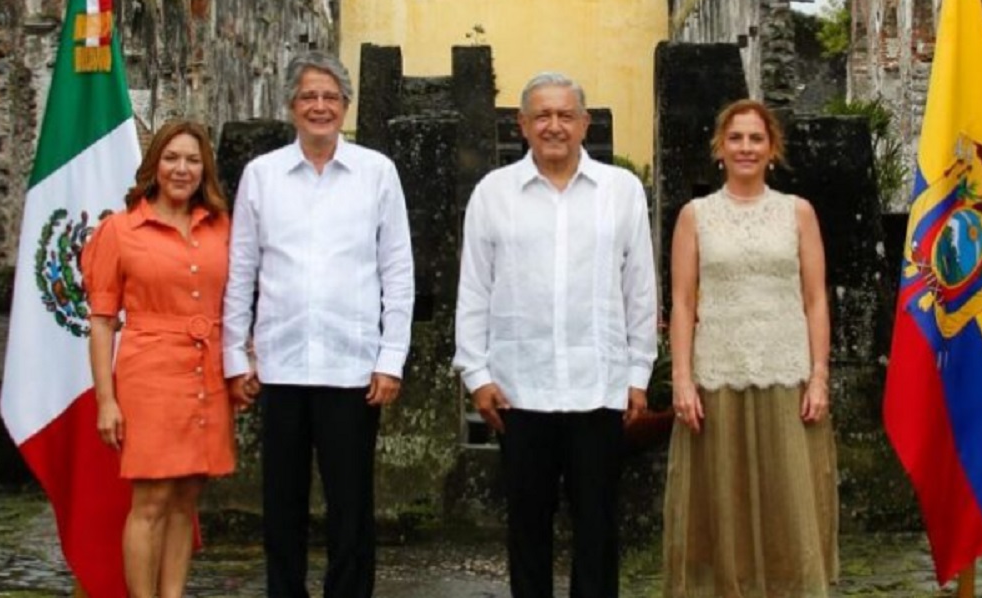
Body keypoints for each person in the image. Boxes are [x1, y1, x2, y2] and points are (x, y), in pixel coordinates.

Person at [454, 71, 657, 598]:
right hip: (520, 389)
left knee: (597, 528)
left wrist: (638, 375)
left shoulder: (621, 191)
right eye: (541, 115)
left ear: (585, 123)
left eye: (566, 115)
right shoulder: (494, 194)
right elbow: (474, 288)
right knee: (526, 530)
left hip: (599, 388)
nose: (554, 126)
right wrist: (475, 374)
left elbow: (640, 290)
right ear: (521, 125)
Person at [222, 50, 414, 598]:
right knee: (280, 504)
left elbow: (397, 272)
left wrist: (390, 359)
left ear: (346, 105)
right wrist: (236, 356)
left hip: (351, 367)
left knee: (351, 506)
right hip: (278, 365)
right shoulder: (262, 176)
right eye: (309, 96)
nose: (320, 107)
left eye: (330, 97)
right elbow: (242, 270)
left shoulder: (377, 173)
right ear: (291, 105)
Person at [662, 99, 839, 597]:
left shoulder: (797, 213)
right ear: (720, 147)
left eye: (755, 138)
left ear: (772, 148)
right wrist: (681, 379)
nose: (745, 148)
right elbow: (681, 301)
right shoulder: (695, 217)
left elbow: (815, 299)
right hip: (717, 375)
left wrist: (820, 375)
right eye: (736, 138)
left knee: (789, 501)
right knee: (724, 503)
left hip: (788, 375)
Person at [81, 120, 235, 598]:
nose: (181, 169)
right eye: (171, 158)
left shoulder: (222, 227)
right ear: (154, 167)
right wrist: (106, 400)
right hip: (148, 373)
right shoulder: (120, 230)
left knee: (186, 497)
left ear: (204, 168)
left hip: (205, 371)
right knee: (151, 498)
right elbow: (103, 321)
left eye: (192, 160)